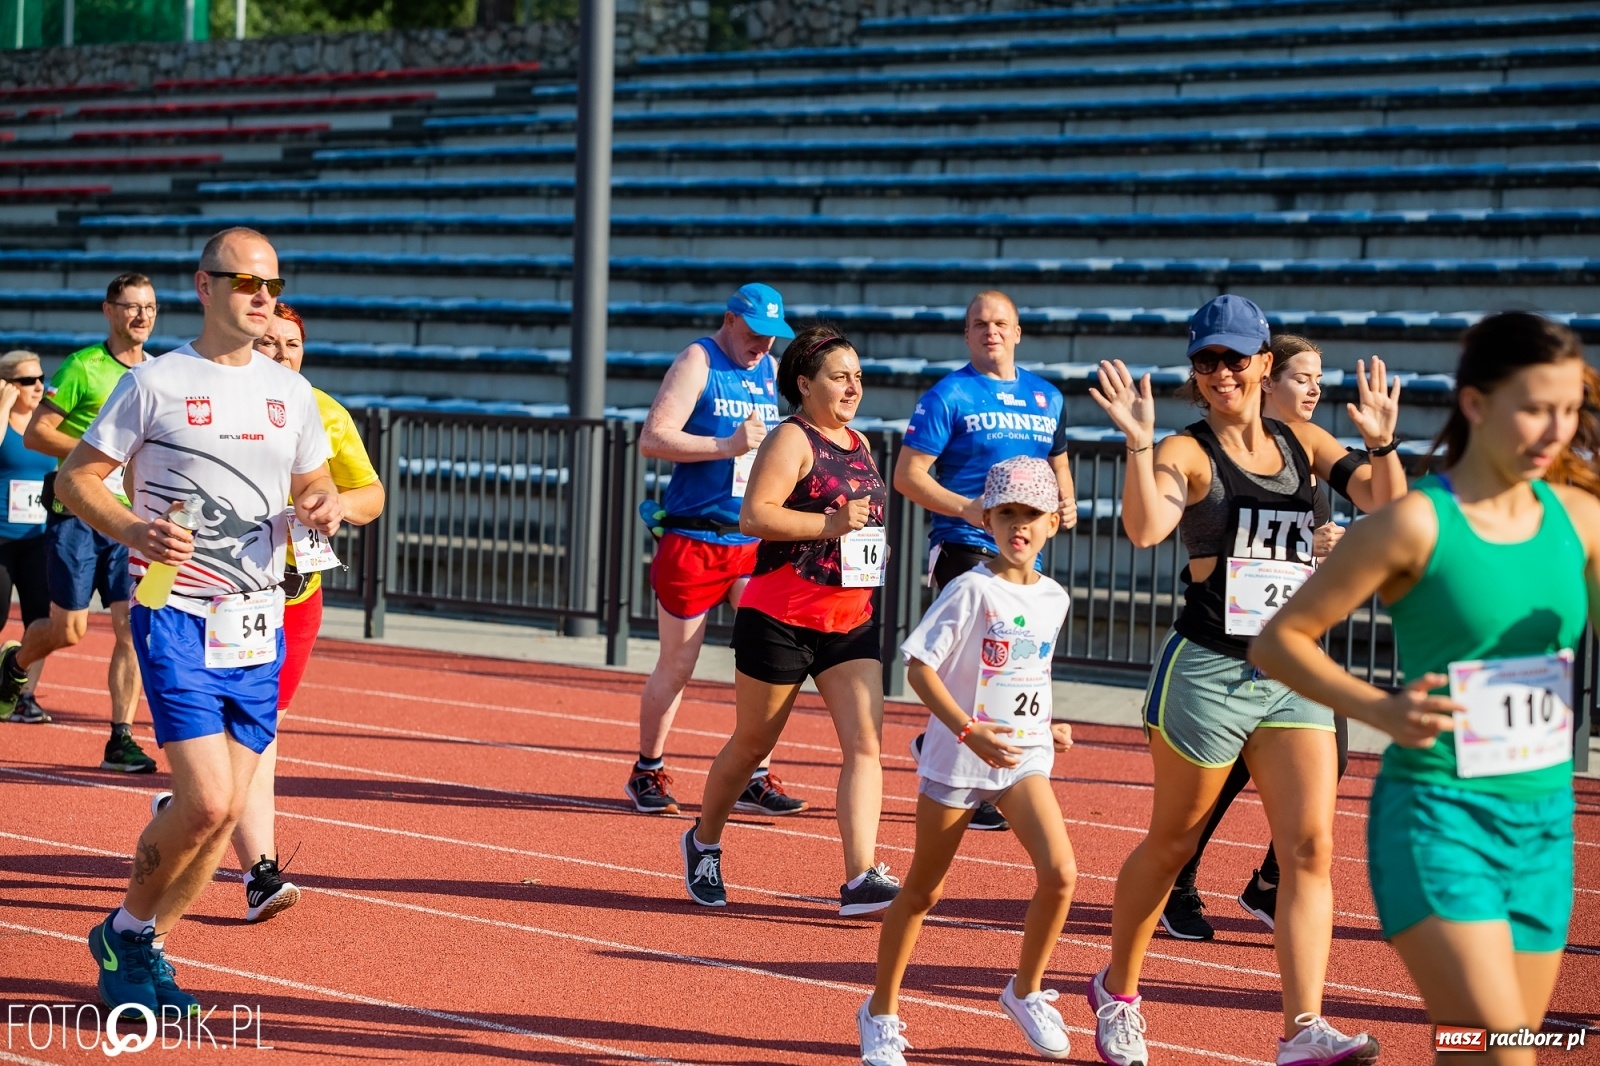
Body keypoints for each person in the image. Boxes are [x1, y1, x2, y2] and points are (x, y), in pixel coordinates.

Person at [1252, 312, 1599, 1066]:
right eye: (1536, 407)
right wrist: (1380, 708)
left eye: (1569, 411)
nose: (1555, 430)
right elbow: (1279, 640)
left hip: (1544, 829)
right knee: (1507, 1054)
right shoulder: (1416, 523)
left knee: (1476, 1050)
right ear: (1476, 404)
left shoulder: (1581, 520)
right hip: (1440, 820)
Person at [11, 227, 341, 1015]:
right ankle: (131, 929)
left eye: (271, 284)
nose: (262, 297)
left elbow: (316, 484)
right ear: (204, 286)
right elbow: (77, 476)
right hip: (175, 608)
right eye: (245, 283)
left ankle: (137, 937)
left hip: (257, 617)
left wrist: (321, 506)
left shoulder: (290, 392)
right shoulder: (156, 382)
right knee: (206, 804)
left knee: (224, 809)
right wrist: (130, 529)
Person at [1083, 294, 1403, 1066]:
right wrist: (1135, 449)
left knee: (1310, 847)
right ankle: (1117, 989)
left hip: (1293, 668)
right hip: (1211, 672)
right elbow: (1145, 528)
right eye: (1206, 360)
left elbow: (1385, 508)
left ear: (1264, 363)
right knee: (1172, 843)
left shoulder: (1306, 441)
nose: (1221, 372)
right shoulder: (1187, 453)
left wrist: (1384, 445)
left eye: (1234, 358)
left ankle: (1302, 1027)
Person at [150, 301, 386, 923]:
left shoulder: (320, 408)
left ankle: (195, 808)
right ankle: (260, 869)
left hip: (293, 596)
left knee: (259, 730)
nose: (283, 355)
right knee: (242, 735)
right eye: (272, 343)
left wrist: (334, 502)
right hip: (211, 593)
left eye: (294, 346)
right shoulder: (205, 397)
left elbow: (371, 494)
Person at [1161, 334, 1382, 940]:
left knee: (1328, 760)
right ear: (1268, 377)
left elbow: (1376, 504)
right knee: (1214, 780)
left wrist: (1325, 552)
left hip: (1291, 641)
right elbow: (1203, 538)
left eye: (1319, 379)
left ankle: (1269, 881)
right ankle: (1175, 883)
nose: (1315, 390)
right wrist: (1305, 545)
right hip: (1222, 647)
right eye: (1303, 377)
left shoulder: (1310, 449)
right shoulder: (1208, 450)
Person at [859, 456, 1079, 1066]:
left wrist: (1046, 724)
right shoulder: (970, 588)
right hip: (959, 756)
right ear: (986, 518)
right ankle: (880, 1011)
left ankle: (1026, 990)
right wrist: (967, 730)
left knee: (1061, 874)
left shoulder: (1056, 597)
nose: (1019, 525)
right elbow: (918, 668)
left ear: (1054, 522)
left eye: (1032, 514)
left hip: (1021, 754)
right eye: (1007, 513)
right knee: (924, 892)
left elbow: (1029, 670)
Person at [680, 323, 897, 916]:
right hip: (781, 617)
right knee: (752, 744)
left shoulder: (860, 442)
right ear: (804, 383)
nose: (853, 387)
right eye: (839, 377)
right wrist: (830, 525)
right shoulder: (791, 440)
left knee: (866, 745)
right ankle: (704, 842)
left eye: (857, 376)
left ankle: (860, 878)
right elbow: (755, 516)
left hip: (850, 619)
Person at [894, 290, 1078, 832]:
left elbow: (1059, 464)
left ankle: (950, 742)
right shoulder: (947, 395)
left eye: (1000, 323)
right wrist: (970, 509)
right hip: (966, 540)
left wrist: (1066, 502)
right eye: (979, 324)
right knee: (979, 661)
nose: (990, 331)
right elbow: (909, 475)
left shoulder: (1048, 397)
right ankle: (974, 777)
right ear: (967, 335)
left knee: (1013, 655)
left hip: (1024, 540)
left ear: (1018, 332)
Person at [628, 283, 804, 818]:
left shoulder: (771, 370)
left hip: (752, 538)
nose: (762, 347)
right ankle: (648, 768)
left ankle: (755, 772)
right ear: (730, 319)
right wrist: (726, 446)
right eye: (754, 334)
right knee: (679, 663)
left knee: (769, 661)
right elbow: (653, 438)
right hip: (696, 535)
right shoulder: (698, 360)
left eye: (772, 338)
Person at [3, 275, 159, 769]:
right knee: (68, 630)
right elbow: (36, 433)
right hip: (76, 513)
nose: (142, 316)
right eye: (131, 307)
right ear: (109, 311)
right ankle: (14, 662)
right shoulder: (82, 368)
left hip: (129, 520)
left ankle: (120, 738)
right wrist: (98, 453)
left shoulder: (161, 374)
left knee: (131, 628)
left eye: (150, 308)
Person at [0, 351, 57, 723]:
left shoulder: (46, 422)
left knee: (41, 619)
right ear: (7, 384)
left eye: (40, 378)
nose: (39, 386)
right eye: (27, 381)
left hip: (40, 536)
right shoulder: (3, 420)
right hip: (1, 539)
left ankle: (25, 696)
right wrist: (3, 402)